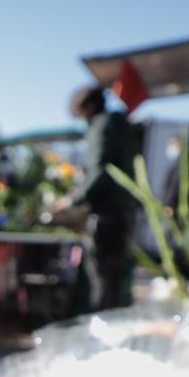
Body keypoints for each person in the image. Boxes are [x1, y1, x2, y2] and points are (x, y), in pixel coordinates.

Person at [61, 84, 139, 310]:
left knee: (102, 281)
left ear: (89, 106)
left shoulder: (101, 127)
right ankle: (112, 326)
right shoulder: (120, 125)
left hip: (106, 216)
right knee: (114, 281)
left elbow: (99, 171)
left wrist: (73, 200)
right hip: (121, 213)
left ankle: (101, 331)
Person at [161, 135, 189, 220]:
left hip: (178, 210)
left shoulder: (184, 164)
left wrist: (170, 204)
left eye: (172, 144)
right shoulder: (186, 162)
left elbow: (176, 185)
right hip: (181, 209)